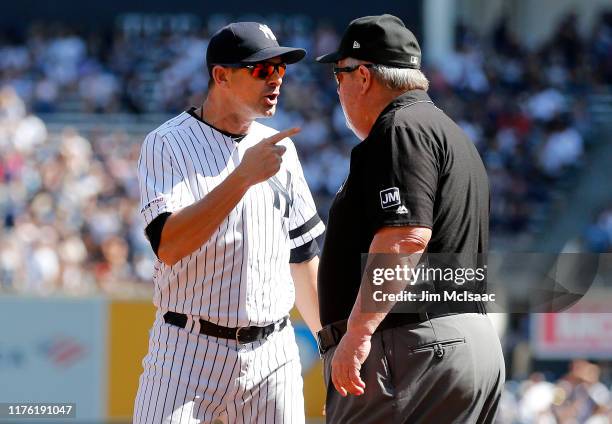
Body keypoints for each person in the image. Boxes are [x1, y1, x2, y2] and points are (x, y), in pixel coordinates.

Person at [315, 14, 505, 423]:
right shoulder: (451, 133)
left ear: (363, 76)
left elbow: (405, 238)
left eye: (339, 73)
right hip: (461, 340)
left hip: (411, 348)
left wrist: (358, 333)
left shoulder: (399, 128)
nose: (338, 86)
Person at [133, 21, 325, 424]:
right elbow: (169, 245)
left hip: (273, 353)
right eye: (261, 70)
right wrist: (242, 177)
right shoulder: (167, 143)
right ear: (220, 76)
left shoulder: (282, 150)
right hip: (187, 350)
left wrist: (334, 346)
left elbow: (305, 259)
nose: (275, 79)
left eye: (281, 69)